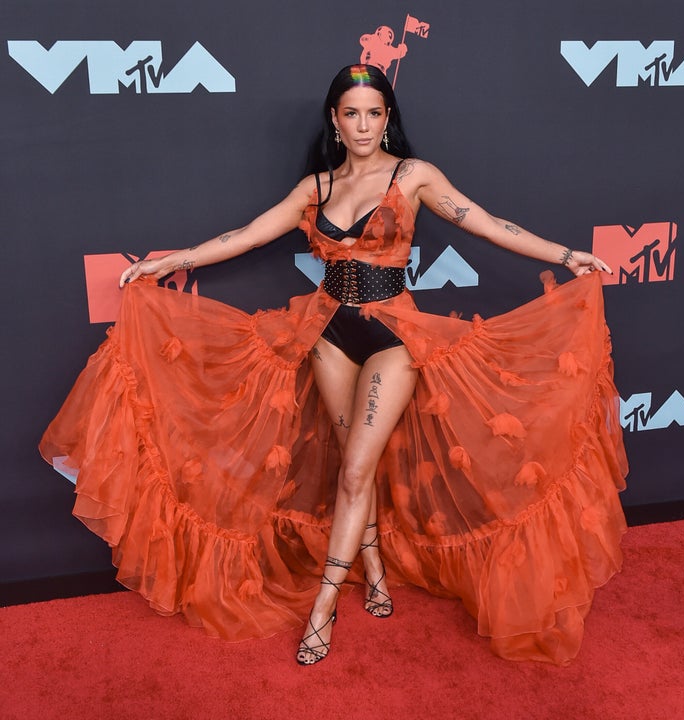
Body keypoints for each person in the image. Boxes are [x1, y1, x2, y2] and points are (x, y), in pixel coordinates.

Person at [41, 64, 628, 666]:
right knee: (356, 464)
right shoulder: (315, 188)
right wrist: (173, 261)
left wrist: (566, 254)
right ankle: (371, 565)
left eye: (376, 113)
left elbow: (487, 221)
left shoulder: (414, 176)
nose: (365, 124)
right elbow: (246, 234)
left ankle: (323, 603)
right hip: (326, 331)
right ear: (335, 120)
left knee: (353, 470)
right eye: (353, 113)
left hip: (394, 334)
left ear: (388, 118)